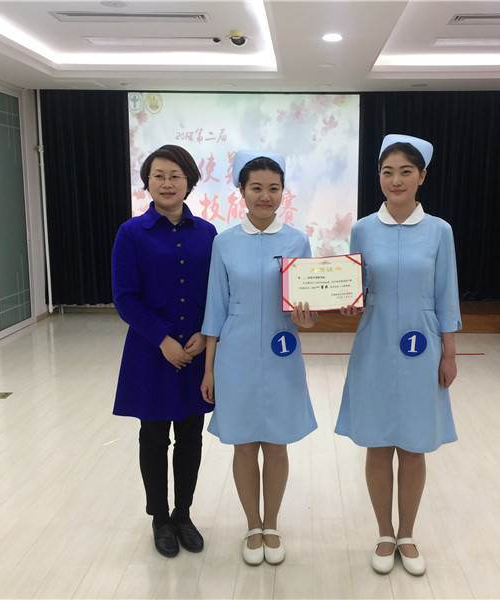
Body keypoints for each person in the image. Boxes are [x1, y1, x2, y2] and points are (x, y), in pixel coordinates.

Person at [335, 134, 461, 576]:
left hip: (423, 347)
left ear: (422, 176)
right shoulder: (363, 228)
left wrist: (449, 353)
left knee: (413, 445)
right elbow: (356, 288)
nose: (396, 180)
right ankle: (384, 533)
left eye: (406, 171)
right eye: (387, 172)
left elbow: (446, 294)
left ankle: (407, 533)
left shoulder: (439, 231)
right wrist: (348, 302)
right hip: (374, 342)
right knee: (377, 443)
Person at [200, 150, 317, 566]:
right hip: (236, 356)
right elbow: (215, 308)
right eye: (256, 188)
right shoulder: (224, 242)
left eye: (273, 188)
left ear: (283, 192)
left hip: (283, 354)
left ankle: (272, 524)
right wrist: (209, 369)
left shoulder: (297, 240)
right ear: (242, 191)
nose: (265, 196)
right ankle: (253, 525)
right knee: (245, 445)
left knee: (277, 443)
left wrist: (306, 319)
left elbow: (309, 309)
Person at [111, 145, 217, 558]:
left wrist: (205, 334)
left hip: (195, 350)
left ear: (189, 181)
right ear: (147, 182)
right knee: (154, 437)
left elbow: (216, 292)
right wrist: (163, 339)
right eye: (158, 176)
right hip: (150, 353)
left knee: (191, 436)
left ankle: (183, 514)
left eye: (175, 176)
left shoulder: (207, 233)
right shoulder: (131, 233)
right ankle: (159, 518)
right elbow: (125, 297)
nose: (167, 183)